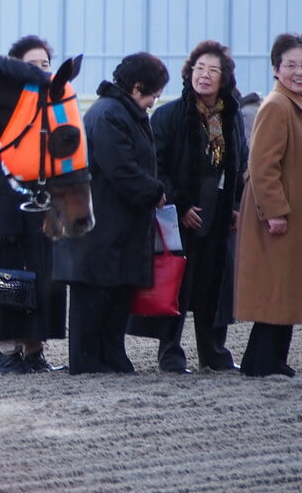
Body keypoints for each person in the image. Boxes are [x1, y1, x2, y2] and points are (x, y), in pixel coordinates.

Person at [126, 40, 246, 373]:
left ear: (225, 78)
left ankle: (213, 352)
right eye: (199, 69)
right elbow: (155, 164)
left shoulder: (230, 117)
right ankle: (170, 353)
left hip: (218, 214)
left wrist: (234, 204)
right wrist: (179, 205)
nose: (204, 76)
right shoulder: (170, 115)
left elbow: (238, 163)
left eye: (213, 70)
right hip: (180, 215)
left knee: (214, 285)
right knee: (177, 285)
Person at [53, 52, 169, 375]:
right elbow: (122, 169)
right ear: (137, 87)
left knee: (115, 294)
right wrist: (154, 190)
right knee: (94, 296)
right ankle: (88, 360)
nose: (152, 102)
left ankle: (111, 355)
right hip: (101, 227)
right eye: (152, 95)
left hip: (116, 227)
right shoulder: (110, 115)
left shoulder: (120, 112)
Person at [0, 35, 68, 374]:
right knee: (12, 282)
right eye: (32, 65)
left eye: (45, 65)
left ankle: (34, 350)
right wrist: (6, 223)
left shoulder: (53, 107)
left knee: (45, 281)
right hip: (14, 213)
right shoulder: (7, 108)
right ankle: (7, 353)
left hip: (46, 211)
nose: (40, 70)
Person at [234, 32, 302, 378]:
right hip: (277, 216)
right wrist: (274, 211)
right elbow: (262, 165)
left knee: (285, 289)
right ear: (277, 68)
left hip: (290, 215)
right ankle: (261, 362)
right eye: (290, 65)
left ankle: (271, 359)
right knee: (275, 289)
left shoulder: (292, 104)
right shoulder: (276, 106)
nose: (298, 72)